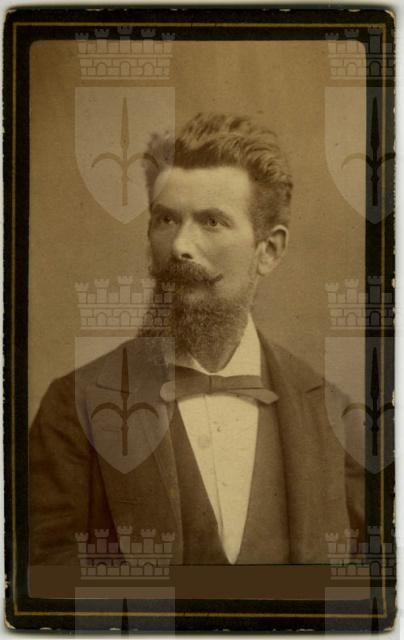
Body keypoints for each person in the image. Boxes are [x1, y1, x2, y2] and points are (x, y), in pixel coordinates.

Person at [29, 112, 364, 567]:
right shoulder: (75, 407)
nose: (180, 246)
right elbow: (44, 582)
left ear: (269, 250)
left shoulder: (336, 418)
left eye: (211, 222)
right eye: (166, 219)